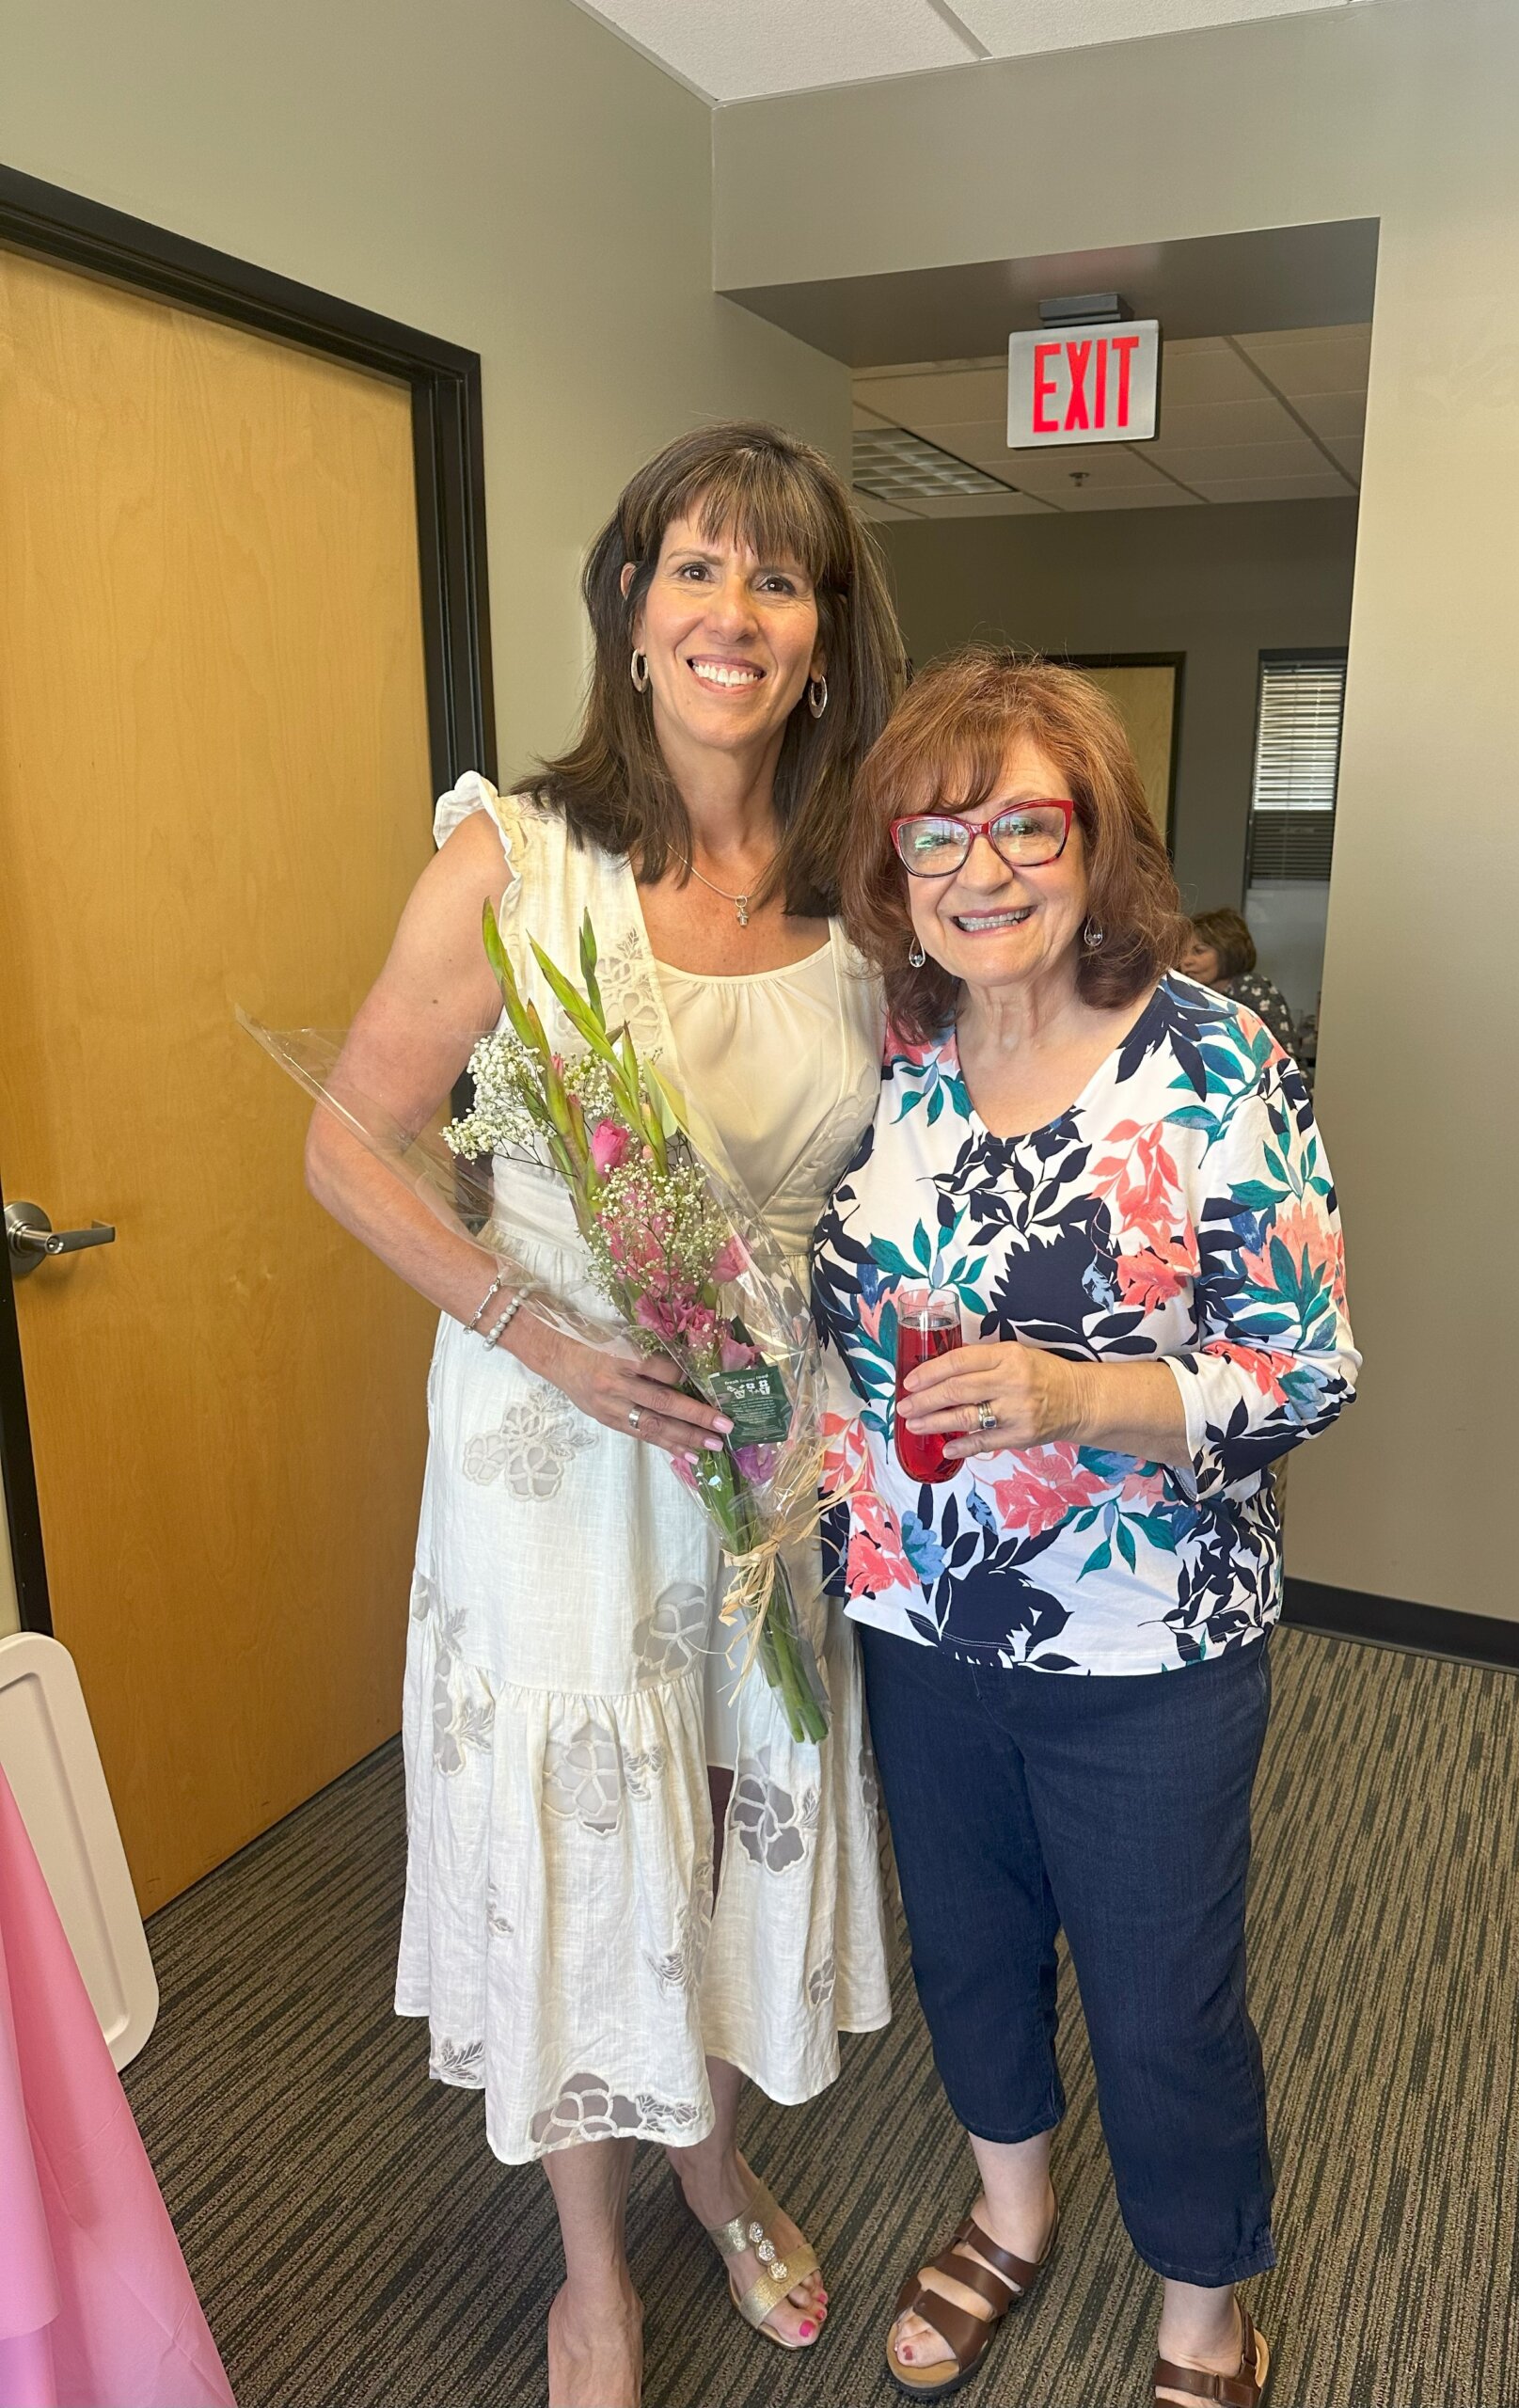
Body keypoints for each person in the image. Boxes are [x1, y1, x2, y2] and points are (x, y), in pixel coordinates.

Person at [305, 422, 907, 2408]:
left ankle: (713, 2168)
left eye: (778, 579)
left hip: (766, 1448)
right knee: (590, 1830)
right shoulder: (519, 856)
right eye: (696, 568)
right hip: (558, 1444)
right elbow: (347, 1144)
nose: (734, 612)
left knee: (727, 1812)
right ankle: (591, 2274)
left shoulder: (864, 890)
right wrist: (542, 1335)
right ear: (632, 611)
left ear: (822, 639)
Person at [813, 653, 1358, 2408]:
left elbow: (1310, 1369)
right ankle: (1009, 2214)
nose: (979, 870)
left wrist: (1080, 1396)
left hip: (1148, 1642)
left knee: (1159, 1996)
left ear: (1098, 837)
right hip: (917, 1613)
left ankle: (1202, 2308)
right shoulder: (891, 1056)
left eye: (1025, 826)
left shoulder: (1212, 1063)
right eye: (935, 835)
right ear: (896, 870)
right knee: (969, 1952)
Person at [1182, 907, 1300, 1060]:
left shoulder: (1253, 988)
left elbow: (1284, 1058)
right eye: (1182, 953)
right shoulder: (1193, 997)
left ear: (1228, 950)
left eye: (1198, 951)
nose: (1186, 961)